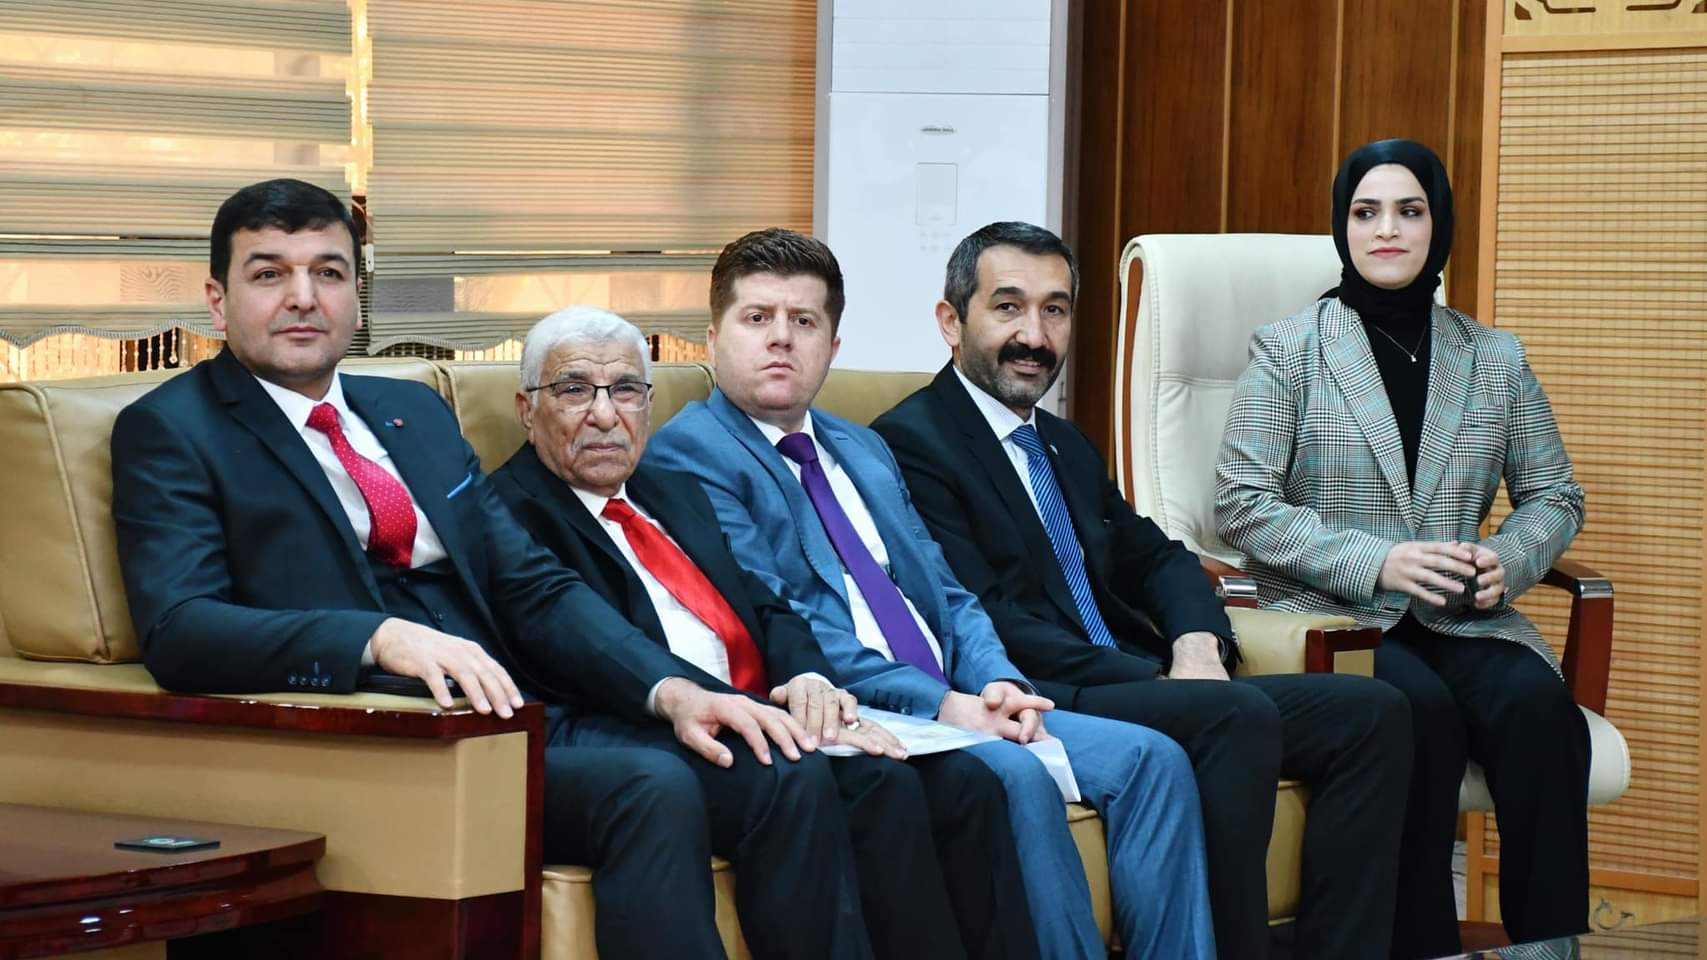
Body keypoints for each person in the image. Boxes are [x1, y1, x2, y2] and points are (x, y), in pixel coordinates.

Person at [110, 179, 878, 960]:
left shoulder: (411, 413)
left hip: (524, 711)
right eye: (270, 273)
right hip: (387, 732)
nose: (303, 297)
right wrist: (376, 638)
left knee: (785, 770)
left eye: (328, 272)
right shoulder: (172, 430)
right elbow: (180, 629)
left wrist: (674, 691)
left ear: (355, 295)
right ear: (217, 301)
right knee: (650, 787)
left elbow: (533, 586)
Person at [647, 227, 1216, 960]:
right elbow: (784, 618)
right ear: (712, 338)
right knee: (1012, 775)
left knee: (1152, 762)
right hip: (861, 710)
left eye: (804, 321)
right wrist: (945, 704)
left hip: (960, 694)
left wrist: (999, 683)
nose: (781, 339)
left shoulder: (861, 447)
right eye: (757, 318)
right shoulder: (690, 454)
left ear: (833, 345)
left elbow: (948, 592)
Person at [870, 220, 1412, 959]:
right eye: (1008, 308)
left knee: (1373, 713)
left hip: (1142, 675)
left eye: (1055, 310)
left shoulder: (1060, 442)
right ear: (950, 321)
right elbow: (983, 618)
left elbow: (1159, 558)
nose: (1034, 335)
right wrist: (1154, 679)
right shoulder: (911, 443)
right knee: (1232, 717)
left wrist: (1197, 643)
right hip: (1051, 690)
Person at [489, 304, 1040, 959]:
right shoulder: (509, 513)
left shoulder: (671, 491)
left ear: (649, 405)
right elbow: (598, 649)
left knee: (955, 782)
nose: (605, 415)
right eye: (576, 390)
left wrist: (810, 680)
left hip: (758, 713)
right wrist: (761, 715)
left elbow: (767, 605)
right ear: (527, 410)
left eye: (627, 390)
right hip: (638, 724)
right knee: (802, 778)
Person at [1215, 139, 1591, 957]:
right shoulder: (1289, 349)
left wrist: (1508, 559)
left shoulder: (1493, 357)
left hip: (1461, 616)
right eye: (1365, 212)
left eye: (1408, 211)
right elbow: (1241, 505)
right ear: (1341, 227)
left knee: (1538, 710)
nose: (1386, 230)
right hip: (1330, 617)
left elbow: (1555, 496)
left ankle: (1547, 946)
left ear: (1437, 225)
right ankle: (1423, 945)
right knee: (1416, 714)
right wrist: (1376, 561)